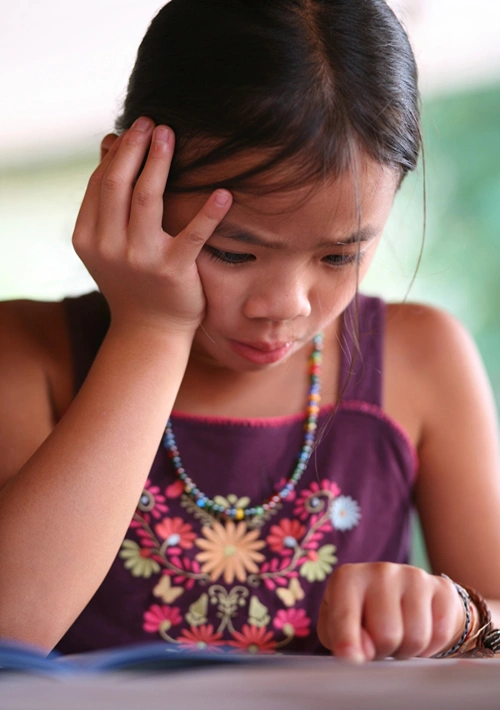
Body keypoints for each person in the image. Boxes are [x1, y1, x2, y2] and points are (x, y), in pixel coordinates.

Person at [1, 0, 500, 662]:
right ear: (128, 183)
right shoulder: (27, 354)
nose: (285, 305)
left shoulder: (422, 359)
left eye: (339, 256)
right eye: (234, 252)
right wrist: (151, 329)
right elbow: (10, 630)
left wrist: (456, 615)